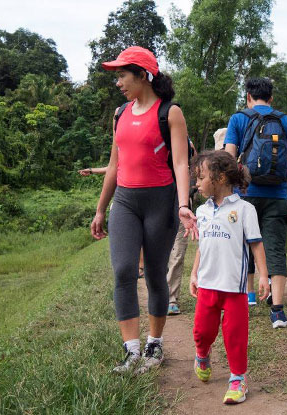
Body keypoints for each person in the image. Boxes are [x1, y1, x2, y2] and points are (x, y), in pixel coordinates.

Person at [90, 46, 197, 374]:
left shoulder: (170, 112)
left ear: (143, 75)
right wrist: (99, 209)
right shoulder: (120, 114)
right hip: (125, 201)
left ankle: (155, 343)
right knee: (123, 270)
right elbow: (113, 165)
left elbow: (181, 163)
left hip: (160, 201)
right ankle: (131, 350)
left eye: (123, 75)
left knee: (154, 274)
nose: (119, 82)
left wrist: (182, 204)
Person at [188, 151, 270, 405]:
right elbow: (203, 246)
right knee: (202, 331)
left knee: (235, 334)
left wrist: (264, 276)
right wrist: (193, 273)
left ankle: (238, 378)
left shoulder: (245, 209)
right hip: (207, 285)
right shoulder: (201, 211)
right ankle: (202, 355)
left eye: (201, 178)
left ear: (220, 177)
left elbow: (256, 245)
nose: (197, 183)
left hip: (235, 287)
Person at [224, 77, 287, 328]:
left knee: (242, 246)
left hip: (245, 194)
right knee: (275, 248)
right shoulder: (285, 121)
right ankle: (277, 310)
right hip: (277, 194)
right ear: (271, 98)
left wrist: (228, 193)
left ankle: (249, 298)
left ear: (248, 96)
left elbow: (229, 157)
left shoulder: (239, 119)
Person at [165, 140, 198, 315]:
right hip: (155, 201)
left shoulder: (186, 143)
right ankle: (161, 294)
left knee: (177, 250)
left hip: (180, 202)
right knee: (160, 252)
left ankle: (171, 298)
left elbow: (195, 169)